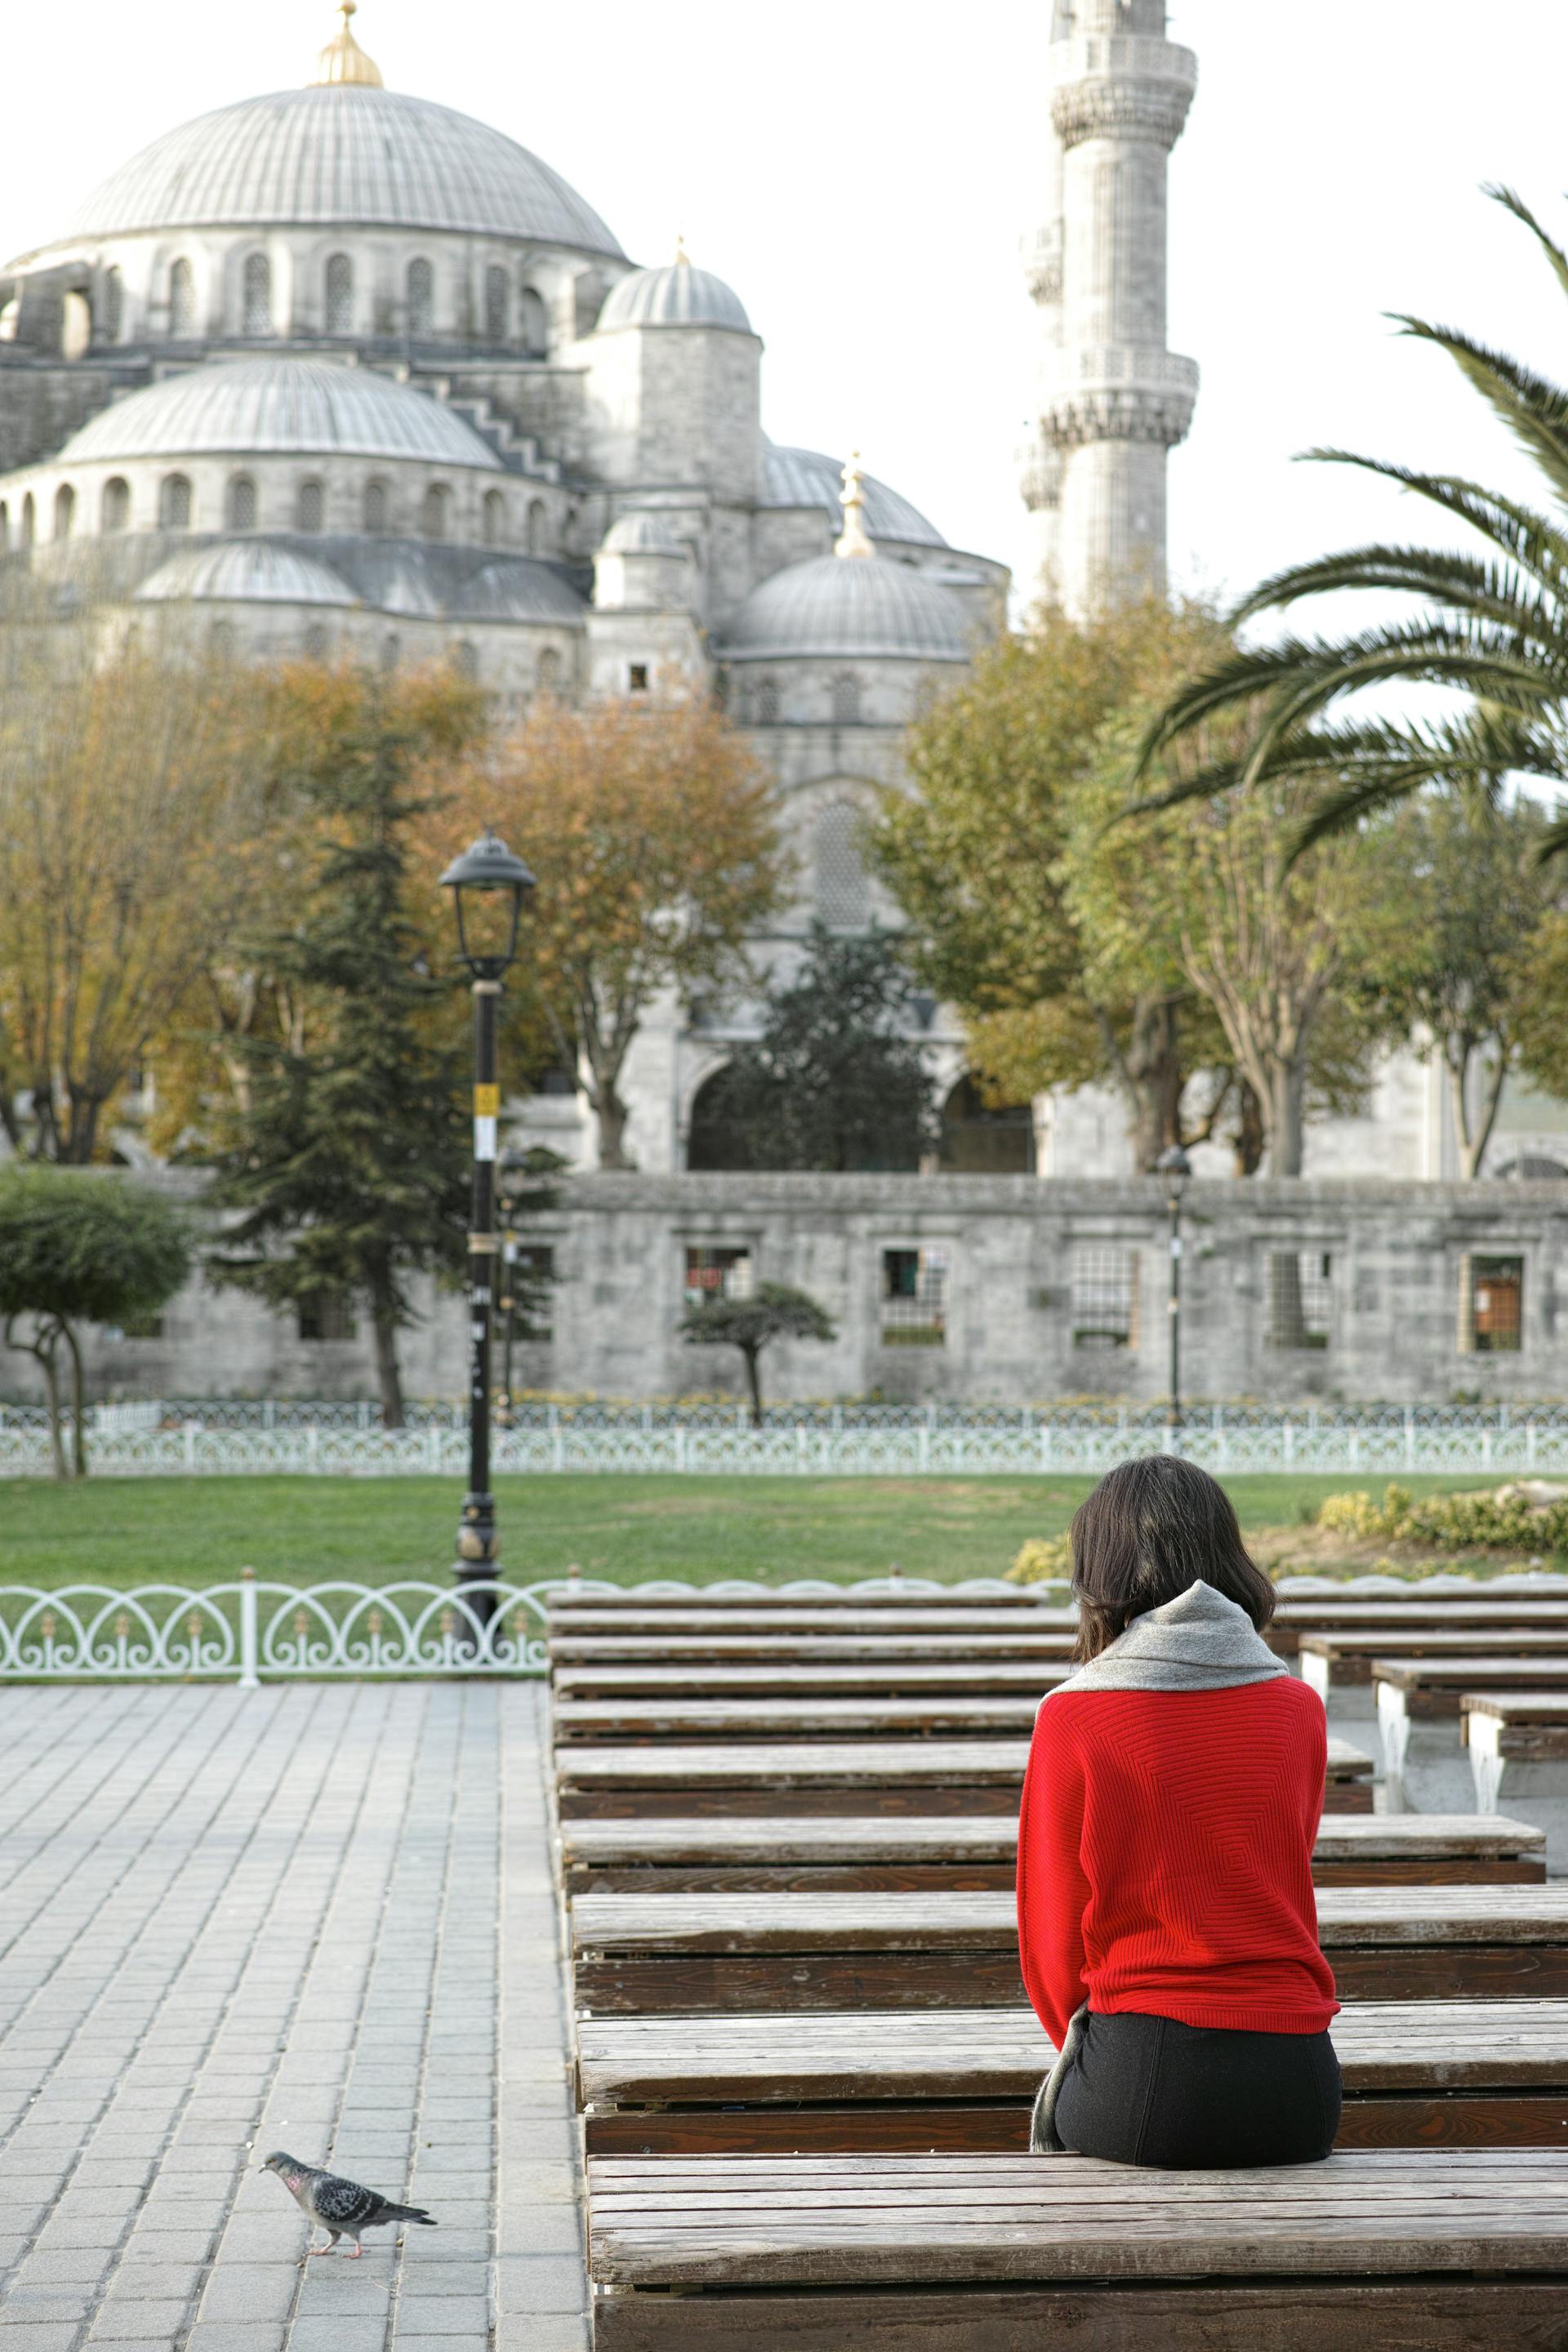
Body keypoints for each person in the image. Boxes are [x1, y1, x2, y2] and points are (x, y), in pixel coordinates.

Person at [1016, 1453, 1341, 2166]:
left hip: (1148, 2077)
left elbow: (1053, 1942)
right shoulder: (1299, 1708)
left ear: (1100, 1569)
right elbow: (1281, 1873)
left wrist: (1094, 2051)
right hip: (1300, 2086)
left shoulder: (1075, 1717)